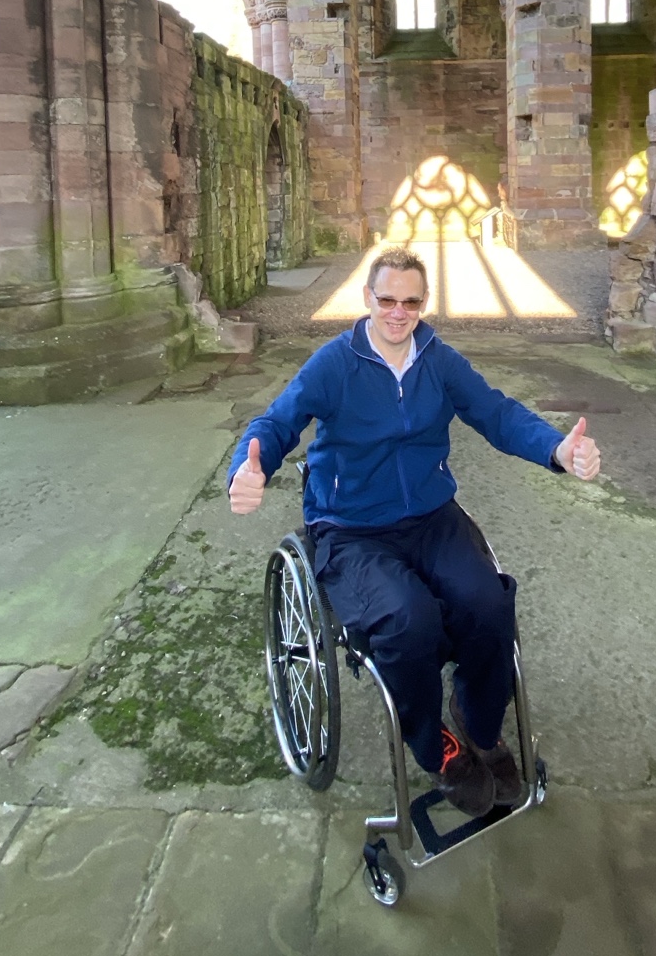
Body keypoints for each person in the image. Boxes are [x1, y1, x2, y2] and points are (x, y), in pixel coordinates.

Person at [226, 245, 601, 817]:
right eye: (387, 300)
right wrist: (249, 469)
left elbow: (495, 413)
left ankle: (479, 726)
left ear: (424, 303)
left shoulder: (438, 360)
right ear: (368, 299)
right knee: (407, 618)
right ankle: (435, 745)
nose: (399, 312)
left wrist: (556, 447)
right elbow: (276, 423)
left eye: (411, 302)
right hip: (352, 528)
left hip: (430, 517)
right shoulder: (335, 364)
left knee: (487, 602)